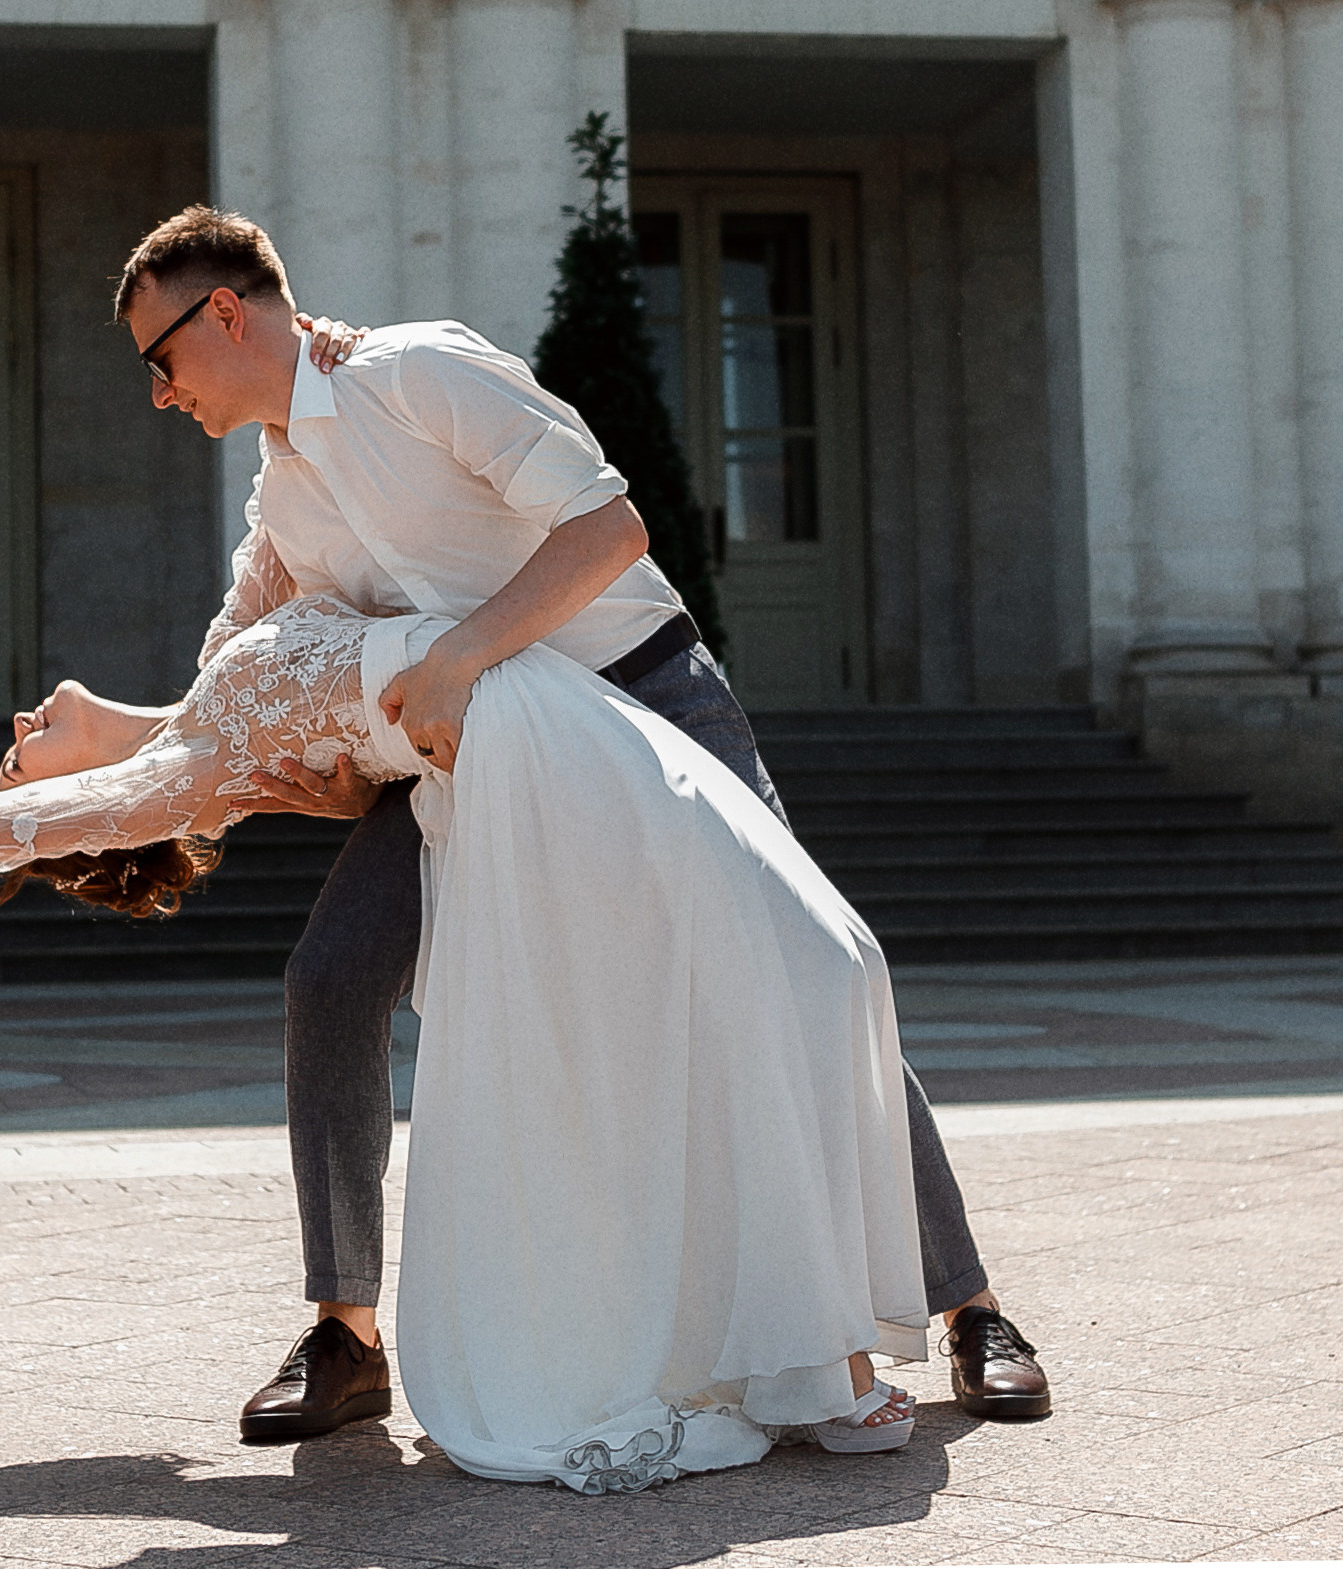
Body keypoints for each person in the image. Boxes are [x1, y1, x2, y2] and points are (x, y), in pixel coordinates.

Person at [108, 206, 1048, 1437]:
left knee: (804, 968)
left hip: (645, 700)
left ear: (223, 311)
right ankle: (345, 1335)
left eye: (156, 359)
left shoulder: (419, 371)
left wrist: (451, 657)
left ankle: (966, 1304)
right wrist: (97, 744)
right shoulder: (281, 500)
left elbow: (608, 528)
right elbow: (228, 680)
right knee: (329, 976)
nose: (159, 393)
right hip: (479, 755)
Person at [0, 587, 930, 1490]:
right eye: (21, 763)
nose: (20, 729)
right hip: (524, 764)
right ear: (74, 805)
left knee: (816, 968)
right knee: (785, 985)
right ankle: (807, 1362)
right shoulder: (179, 773)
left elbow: (297, 524)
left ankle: (805, 1339)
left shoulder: (227, 661)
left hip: (558, 714)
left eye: (14, 747)